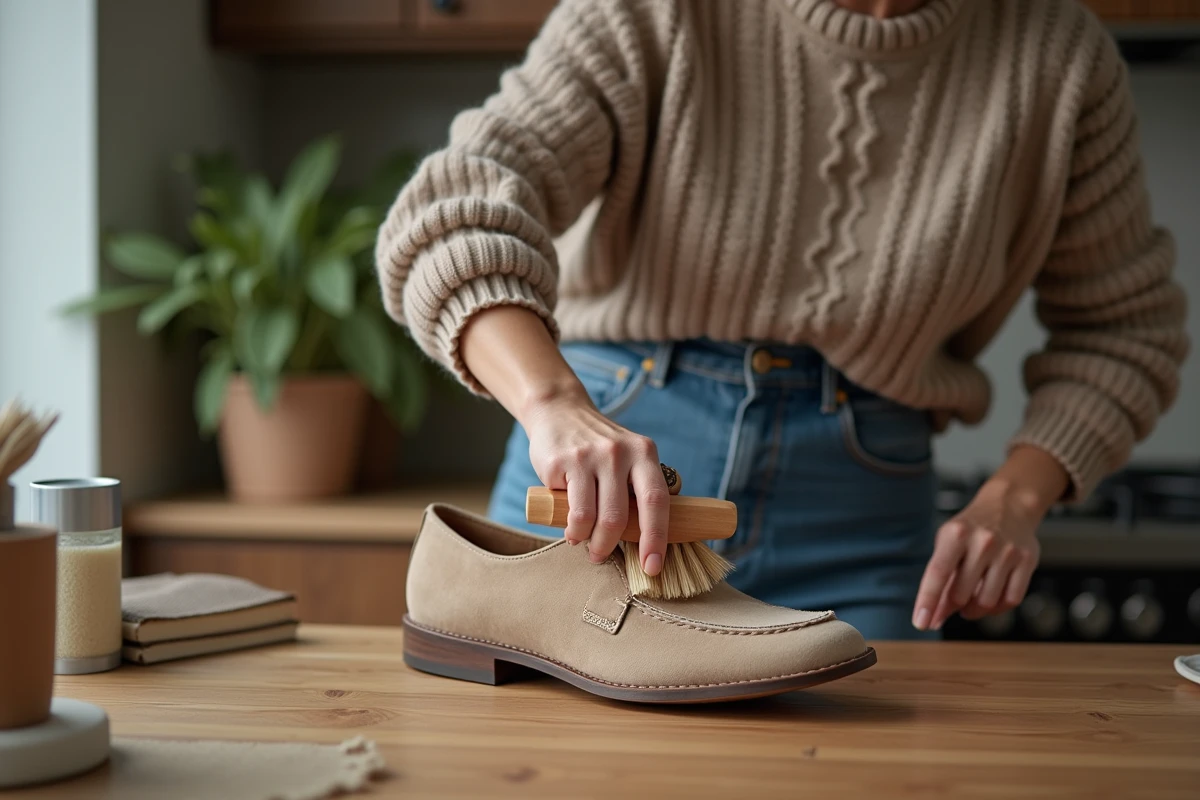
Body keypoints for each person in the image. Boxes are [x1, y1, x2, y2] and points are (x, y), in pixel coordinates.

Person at [375, 0, 1188, 639]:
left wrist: (1016, 496)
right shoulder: (657, 10)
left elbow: (1125, 331)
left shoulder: (1061, 58)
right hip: (602, 495)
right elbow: (453, 208)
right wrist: (553, 402)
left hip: (859, 525)